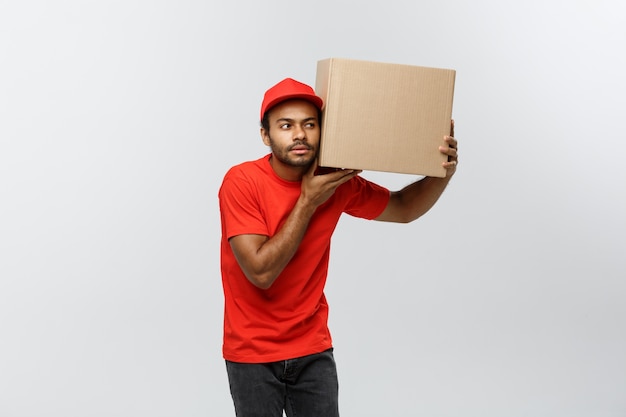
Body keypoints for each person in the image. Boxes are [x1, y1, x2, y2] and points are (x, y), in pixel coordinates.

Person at [218, 77, 458, 417]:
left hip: (312, 347)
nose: (299, 134)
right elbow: (261, 272)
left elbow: (403, 208)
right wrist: (308, 201)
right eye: (286, 126)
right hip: (252, 353)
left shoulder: (336, 182)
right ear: (265, 135)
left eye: (309, 125)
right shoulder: (241, 182)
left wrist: (442, 172)